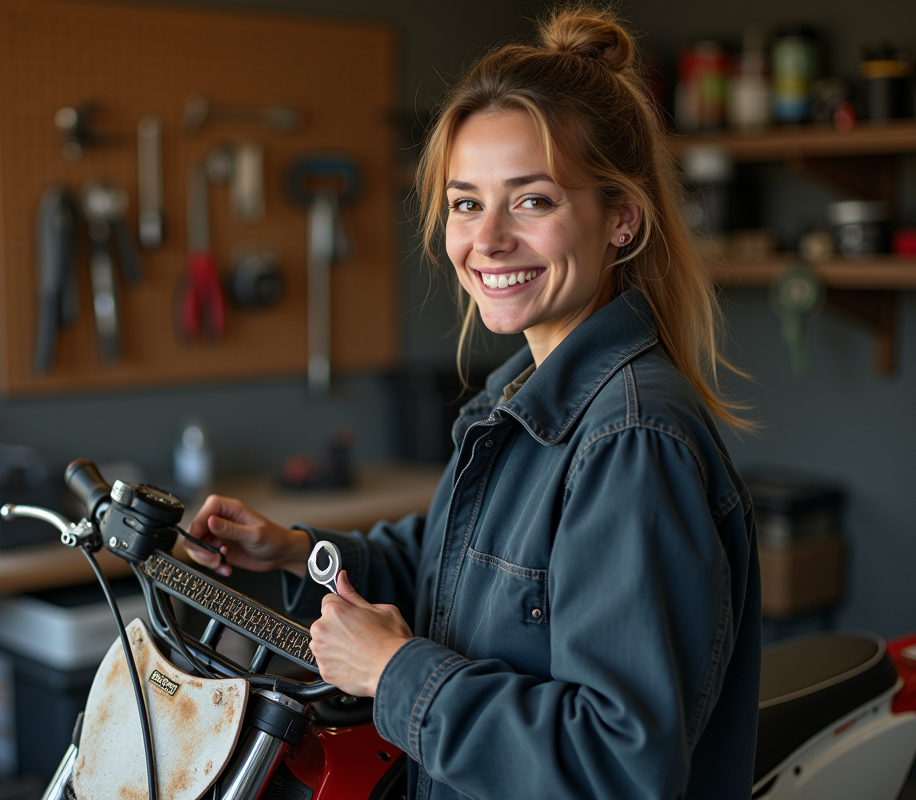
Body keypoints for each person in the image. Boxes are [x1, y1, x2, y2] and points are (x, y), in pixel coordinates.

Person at [184, 7, 761, 799]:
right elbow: (451, 570)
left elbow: (619, 766)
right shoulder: (519, 400)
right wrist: (295, 552)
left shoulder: (628, 439)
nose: (486, 240)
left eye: (532, 201)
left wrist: (394, 671)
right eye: (465, 203)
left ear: (621, 219)